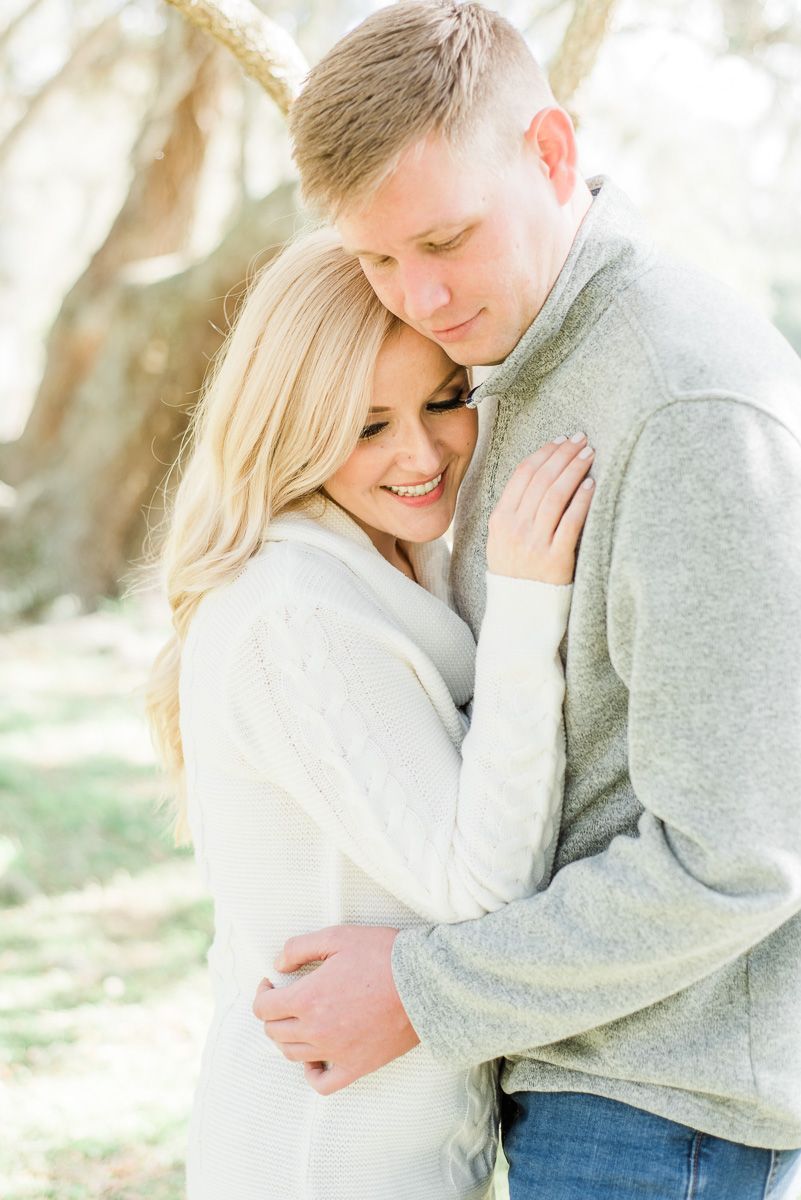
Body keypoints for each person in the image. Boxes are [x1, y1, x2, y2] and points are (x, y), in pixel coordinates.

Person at [252, 3, 801, 1197]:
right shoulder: (508, 361)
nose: (420, 298)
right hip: (578, 1084)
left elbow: (741, 855)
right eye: (378, 261)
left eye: (445, 238)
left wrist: (421, 988)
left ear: (553, 153)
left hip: (670, 1116)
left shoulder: (687, 404)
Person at [146, 227, 595, 1198]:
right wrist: (528, 604)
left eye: (444, 401)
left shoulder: (382, 571)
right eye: (366, 424)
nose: (422, 453)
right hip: (322, 1160)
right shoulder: (295, 609)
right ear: (293, 427)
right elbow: (480, 892)